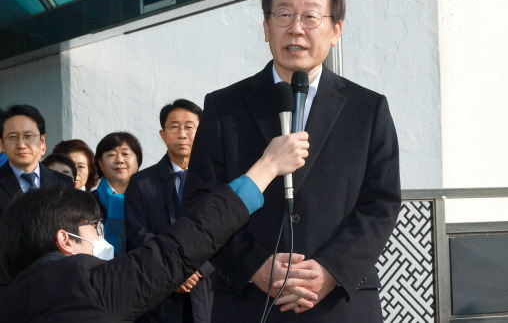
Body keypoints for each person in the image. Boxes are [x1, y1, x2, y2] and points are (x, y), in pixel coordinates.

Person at [182, 0, 401, 322]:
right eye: (283, 15)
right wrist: (253, 265)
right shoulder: (224, 107)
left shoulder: (368, 108)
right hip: (248, 303)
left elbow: (381, 202)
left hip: (339, 306)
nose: (296, 29)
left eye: (311, 17)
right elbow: (198, 203)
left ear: (336, 30)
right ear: (266, 27)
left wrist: (331, 269)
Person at [0, 129, 309, 320]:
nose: (101, 236)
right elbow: (179, 247)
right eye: (94, 228)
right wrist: (267, 168)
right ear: (65, 240)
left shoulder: (10, 301)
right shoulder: (88, 286)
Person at [125, 99, 212, 323]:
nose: (182, 134)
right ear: (163, 134)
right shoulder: (141, 182)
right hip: (158, 292)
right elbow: (137, 233)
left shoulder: (217, 181)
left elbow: (228, 231)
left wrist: (198, 268)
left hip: (206, 287)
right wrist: (173, 271)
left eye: (189, 127)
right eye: (174, 127)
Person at [0, 104, 74, 291]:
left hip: (58, 283)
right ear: (2, 144)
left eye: (28, 136)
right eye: (13, 137)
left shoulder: (63, 183)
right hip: (8, 286)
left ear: (43, 142)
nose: (21, 144)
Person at [93, 132, 142, 255]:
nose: (119, 160)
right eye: (111, 155)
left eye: (126, 154)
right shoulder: (86, 201)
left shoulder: (150, 199)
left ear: (138, 161)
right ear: (100, 163)